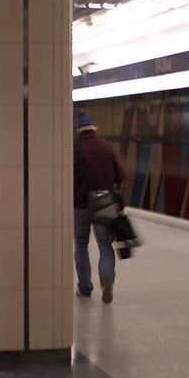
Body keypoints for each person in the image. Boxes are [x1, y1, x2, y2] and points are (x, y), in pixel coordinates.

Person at [74, 115, 124, 304]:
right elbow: (120, 175)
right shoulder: (107, 147)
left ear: (78, 130)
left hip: (80, 202)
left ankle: (85, 287)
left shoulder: (74, 149)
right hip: (104, 198)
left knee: (81, 245)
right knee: (105, 245)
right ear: (95, 128)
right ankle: (107, 280)